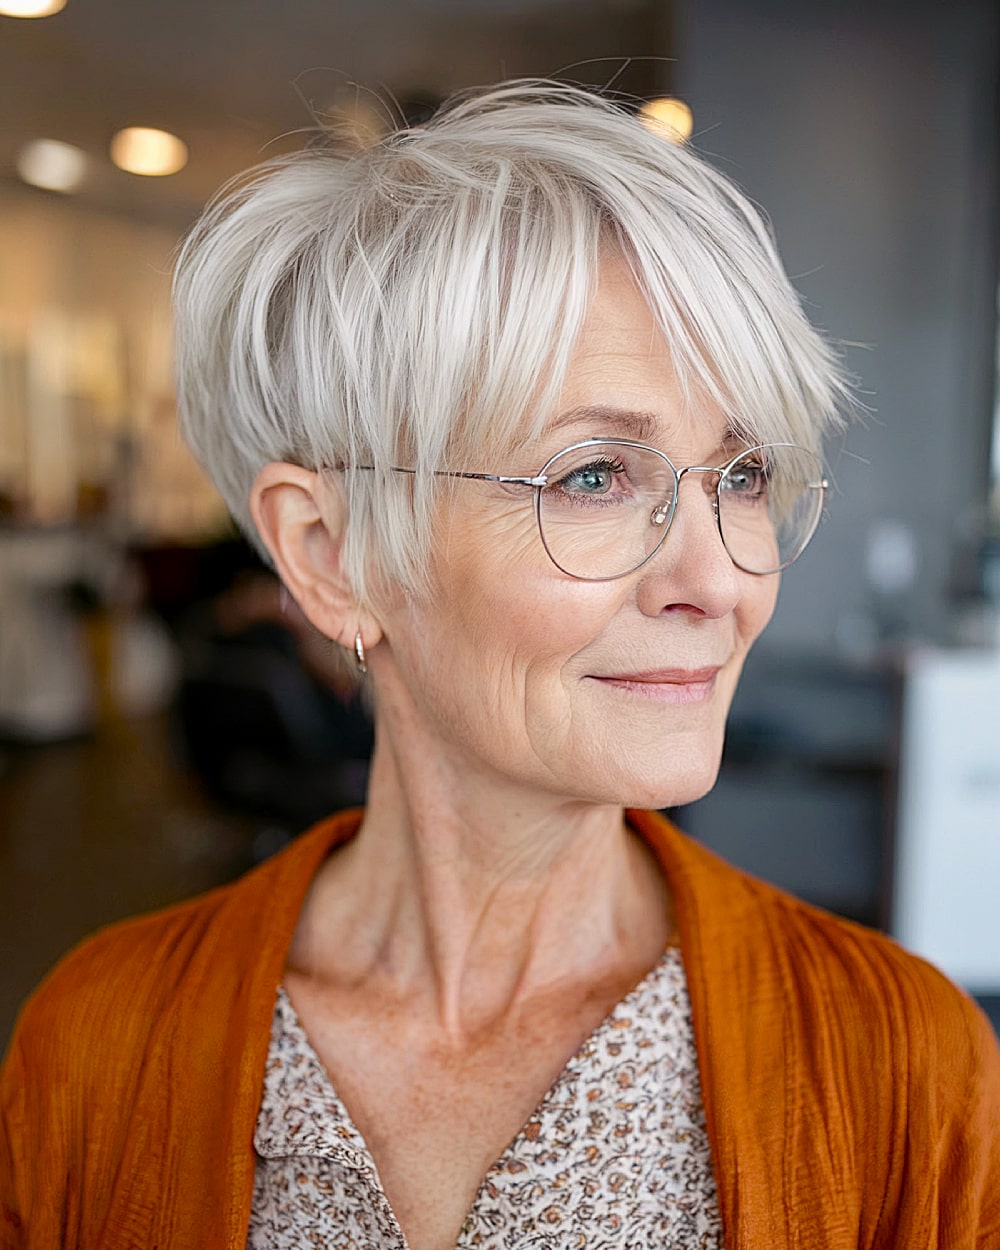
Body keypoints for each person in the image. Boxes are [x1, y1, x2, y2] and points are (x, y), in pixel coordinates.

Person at [2, 80, 998, 1250]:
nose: (721, 580)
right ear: (329, 554)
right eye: (591, 477)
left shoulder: (900, 1062)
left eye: (740, 475)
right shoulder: (98, 1048)